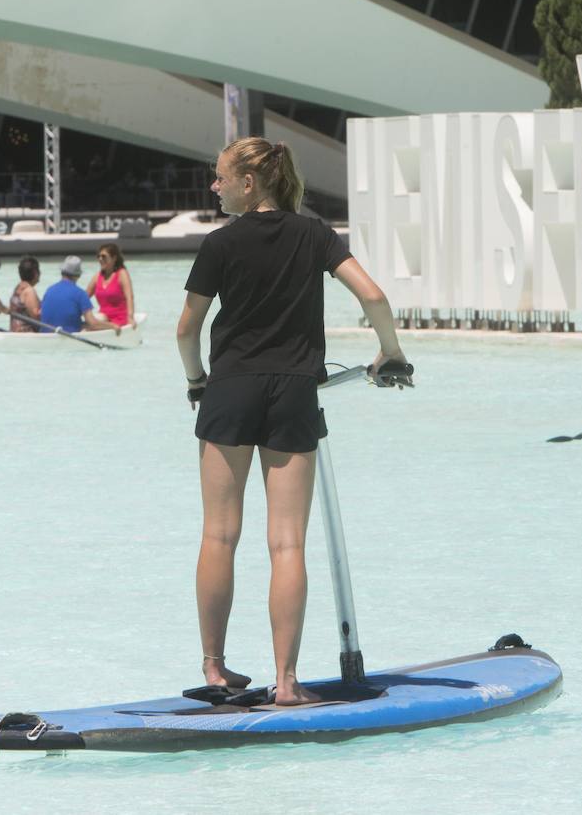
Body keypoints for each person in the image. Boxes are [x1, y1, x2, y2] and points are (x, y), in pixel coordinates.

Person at [177, 137, 407, 706]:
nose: (215, 186)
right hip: (293, 392)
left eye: (221, 177)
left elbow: (186, 329)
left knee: (219, 535)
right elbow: (374, 296)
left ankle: (215, 669)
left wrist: (196, 380)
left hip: (229, 390)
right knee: (286, 545)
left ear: (249, 183)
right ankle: (285, 682)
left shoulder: (220, 244)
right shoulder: (316, 235)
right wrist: (389, 352)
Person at [38, 255, 120, 335]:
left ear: (62, 272)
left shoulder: (49, 290)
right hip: (68, 335)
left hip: (46, 334)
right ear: (78, 275)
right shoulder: (80, 294)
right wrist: (113, 326)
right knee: (102, 317)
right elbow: (93, 323)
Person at [86, 242, 135, 327]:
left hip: (120, 319)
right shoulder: (97, 276)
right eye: (99, 256)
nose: (100, 259)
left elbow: (129, 297)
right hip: (103, 319)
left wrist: (130, 317)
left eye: (104, 256)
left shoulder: (122, 274)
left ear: (114, 258)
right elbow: (84, 297)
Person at [8, 256, 43, 332]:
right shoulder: (29, 291)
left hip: (14, 332)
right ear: (35, 273)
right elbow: (36, 316)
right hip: (27, 335)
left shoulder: (18, 288)